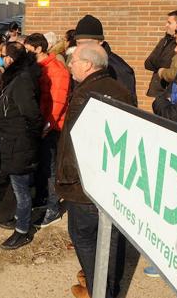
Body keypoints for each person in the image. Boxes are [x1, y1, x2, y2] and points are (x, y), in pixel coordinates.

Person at [57, 44, 134, 298]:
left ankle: (99, 289)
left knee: (84, 237)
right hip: (110, 182)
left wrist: (67, 181)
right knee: (108, 239)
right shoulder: (120, 89)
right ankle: (103, 285)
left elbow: (74, 145)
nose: (69, 65)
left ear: (88, 65)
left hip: (85, 186)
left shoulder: (85, 94)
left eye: (74, 61)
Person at [0, 42, 43, 249]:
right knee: (17, 188)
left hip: (20, 144)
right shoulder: (15, 77)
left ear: (10, 59)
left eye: (3, 55)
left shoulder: (21, 80)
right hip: (14, 142)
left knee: (21, 190)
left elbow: (31, 114)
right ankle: (17, 219)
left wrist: (27, 138)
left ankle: (22, 231)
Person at [24, 33, 70, 228]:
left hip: (51, 127)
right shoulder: (37, 68)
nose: (26, 54)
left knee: (50, 168)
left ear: (39, 49)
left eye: (28, 51)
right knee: (42, 166)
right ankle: (42, 199)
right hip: (39, 124)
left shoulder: (57, 70)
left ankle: (53, 207)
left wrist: (46, 126)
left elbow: (57, 102)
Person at [74, 15, 137, 106]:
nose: (83, 47)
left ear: (100, 42)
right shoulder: (77, 62)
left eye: (88, 43)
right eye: (79, 43)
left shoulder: (119, 69)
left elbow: (128, 107)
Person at [145, 10, 177, 98]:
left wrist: (160, 67)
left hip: (171, 91)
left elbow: (174, 69)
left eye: (169, 23)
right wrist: (161, 64)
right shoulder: (164, 41)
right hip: (158, 91)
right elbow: (148, 63)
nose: (166, 25)